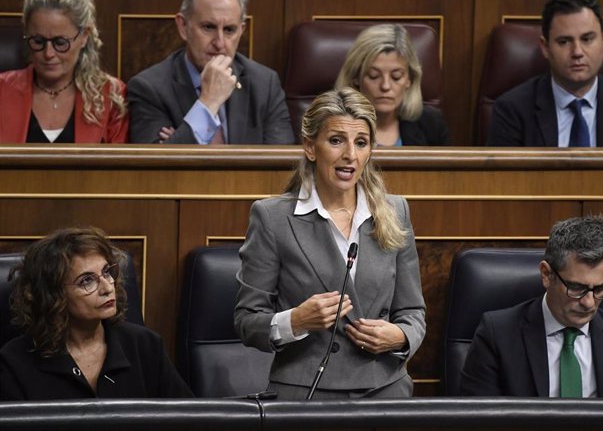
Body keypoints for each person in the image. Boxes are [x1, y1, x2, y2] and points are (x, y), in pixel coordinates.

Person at [234, 87, 426, 399]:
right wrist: (295, 321)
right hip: (306, 393)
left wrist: (400, 336)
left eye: (361, 143)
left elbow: (413, 310)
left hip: (385, 390)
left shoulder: (395, 212)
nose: (350, 154)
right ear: (310, 146)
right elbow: (246, 321)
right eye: (336, 140)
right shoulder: (272, 217)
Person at [460, 215, 603, 398]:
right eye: (576, 287)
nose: (589, 302)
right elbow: (478, 420)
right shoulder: (497, 335)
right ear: (546, 274)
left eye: (601, 288)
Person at [0, 226, 193, 399]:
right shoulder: (14, 361)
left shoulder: (146, 346)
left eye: (107, 272)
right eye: (87, 281)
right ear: (53, 295)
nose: (107, 287)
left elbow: (188, 420)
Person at [127, 0, 294, 145]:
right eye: (208, 27)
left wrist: (182, 137)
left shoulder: (265, 85)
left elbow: (281, 166)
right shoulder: (149, 88)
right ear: (183, 26)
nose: (220, 43)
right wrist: (208, 103)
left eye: (229, 30)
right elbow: (155, 167)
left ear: (241, 31)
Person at [486, 0, 603, 147]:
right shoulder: (512, 110)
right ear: (545, 47)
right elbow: (503, 181)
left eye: (587, 39)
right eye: (564, 42)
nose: (577, 52)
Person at [0, 0, 128, 143]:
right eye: (38, 41)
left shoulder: (111, 96)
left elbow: (121, 168)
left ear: (84, 37)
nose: (48, 53)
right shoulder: (3, 90)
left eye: (60, 42)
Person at [335, 24, 448, 146]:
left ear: (409, 79)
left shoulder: (431, 124)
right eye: (374, 76)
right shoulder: (329, 124)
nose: (385, 86)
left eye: (396, 77)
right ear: (356, 77)